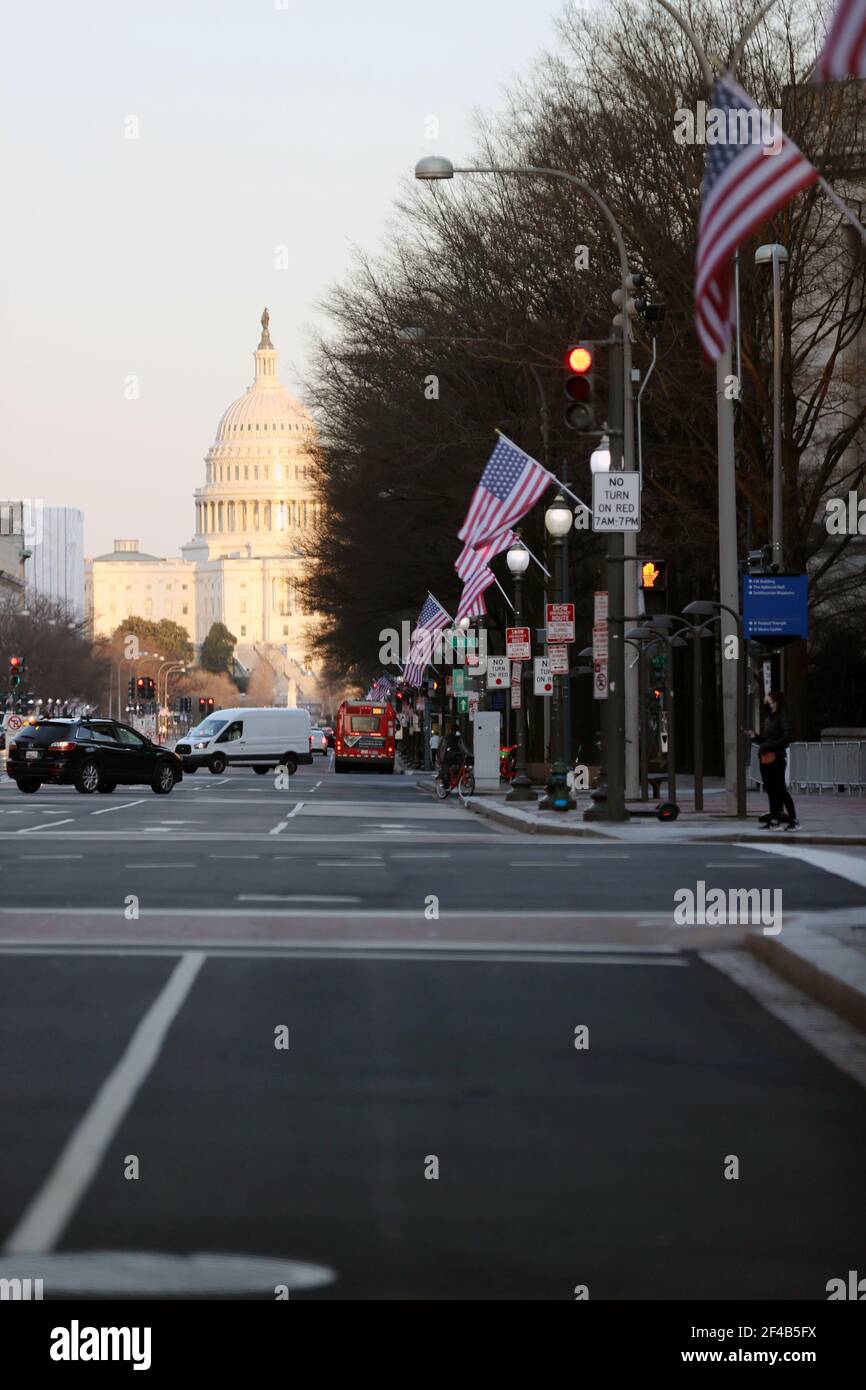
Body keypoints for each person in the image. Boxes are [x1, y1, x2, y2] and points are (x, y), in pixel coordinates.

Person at [747, 689, 799, 830]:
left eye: (768, 701)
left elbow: (786, 738)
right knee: (770, 790)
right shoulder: (768, 719)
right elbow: (767, 740)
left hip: (777, 758)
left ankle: (794, 819)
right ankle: (774, 819)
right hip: (766, 758)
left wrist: (768, 746)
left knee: (780, 790)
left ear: (775, 702)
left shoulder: (781, 717)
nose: (766, 703)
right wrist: (756, 737)